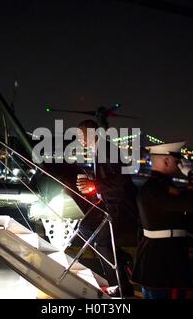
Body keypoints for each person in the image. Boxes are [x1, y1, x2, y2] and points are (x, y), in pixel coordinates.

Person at [131, 141, 193, 299]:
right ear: (166, 161)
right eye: (177, 160)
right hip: (164, 262)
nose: (180, 164)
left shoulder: (157, 186)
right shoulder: (157, 189)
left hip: (160, 258)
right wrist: (192, 175)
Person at [75, 119, 139, 297]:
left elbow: (121, 180)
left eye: (82, 135)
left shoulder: (107, 149)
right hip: (106, 201)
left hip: (117, 204)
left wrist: (93, 182)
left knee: (102, 242)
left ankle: (120, 286)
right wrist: (90, 184)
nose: (80, 139)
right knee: (84, 228)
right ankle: (122, 258)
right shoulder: (98, 150)